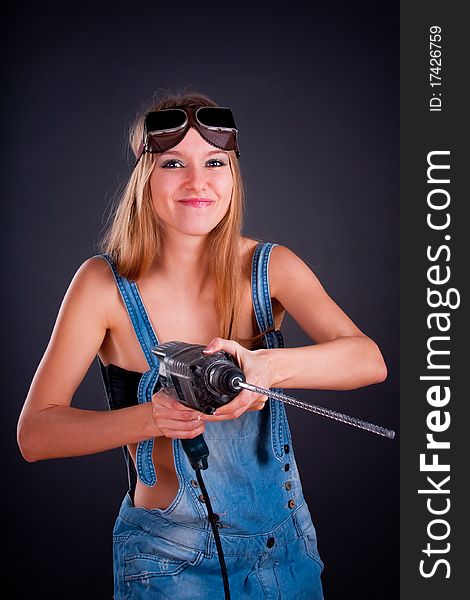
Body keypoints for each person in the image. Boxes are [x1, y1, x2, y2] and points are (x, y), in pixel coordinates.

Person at [17, 91, 387, 599]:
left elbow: (368, 360)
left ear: (233, 176)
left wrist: (266, 368)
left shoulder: (270, 267)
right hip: (169, 562)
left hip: (284, 551)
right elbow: (35, 434)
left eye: (215, 162)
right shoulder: (103, 286)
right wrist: (151, 418)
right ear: (145, 176)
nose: (197, 182)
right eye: (174, 163)